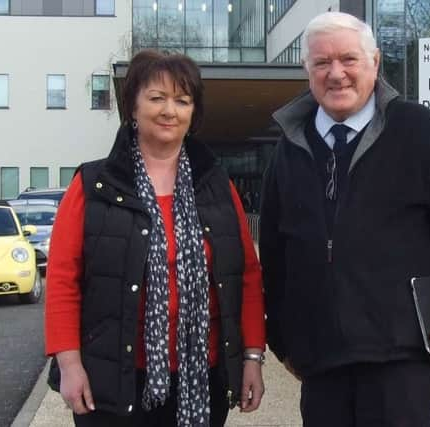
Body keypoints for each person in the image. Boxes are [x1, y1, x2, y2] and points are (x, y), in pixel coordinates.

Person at [259, 12, 430, 427]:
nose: (336, 74)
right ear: (307, 70)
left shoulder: (420, 131)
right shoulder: (289, 147)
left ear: (375, 61)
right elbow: (276, 254)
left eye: (349, 59)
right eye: (321, 63)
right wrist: (282, 341)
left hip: (400, 354)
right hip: (322, 358)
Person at [45, 49, 266, 427]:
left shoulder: (216, 186)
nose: (170, 110)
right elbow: (64, 280)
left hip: (202, 378)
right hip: (114, 380)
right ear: (133, 106)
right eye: (157, 98)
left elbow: (244, 275)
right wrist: (69, 364)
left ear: (193, 113)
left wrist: (251, 359)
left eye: (182, 100)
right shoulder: (93, 185)